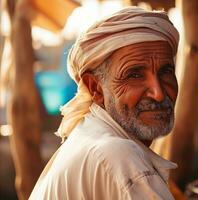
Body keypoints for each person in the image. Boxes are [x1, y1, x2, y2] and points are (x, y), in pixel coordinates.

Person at [29, 7, 180, 199]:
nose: (158, 94)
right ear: (96, 88)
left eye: (166, 71)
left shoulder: (92, 138)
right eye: (134, 75)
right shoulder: (117, 154)